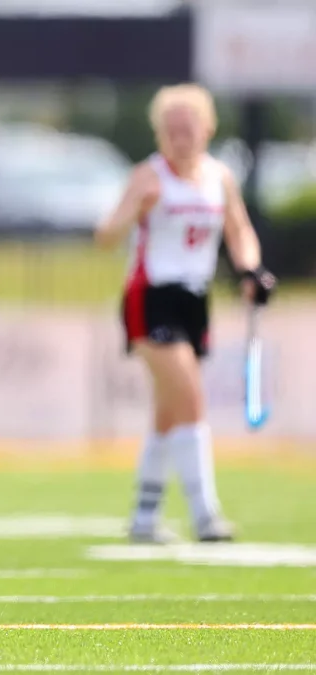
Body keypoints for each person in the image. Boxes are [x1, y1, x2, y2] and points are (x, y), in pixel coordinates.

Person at [95, 83, 275, 544]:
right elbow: (105, 236)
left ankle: (144, 516)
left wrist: (250, 270)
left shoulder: (219, 178)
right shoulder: (148, 177)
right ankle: (205, 514)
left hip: (195, 300)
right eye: (170, 130)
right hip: (150, 296)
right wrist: (136, 208)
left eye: (187, 128)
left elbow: (239, 233)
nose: (179, 138)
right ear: (159, 134)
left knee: (169, 409)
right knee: (191, 397)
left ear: (207, 129)